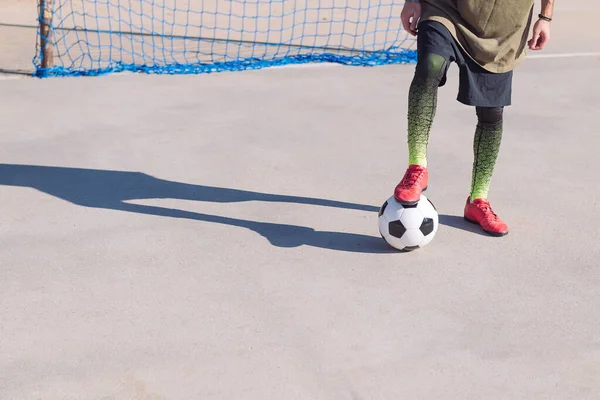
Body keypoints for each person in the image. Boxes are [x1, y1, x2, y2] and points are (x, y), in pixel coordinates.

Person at [394, 0, 554, 236]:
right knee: (430, 66)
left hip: (503, 29)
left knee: (491, 113)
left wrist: (545, 17)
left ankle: (478, 200)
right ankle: (417, 166)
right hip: (446, 8)